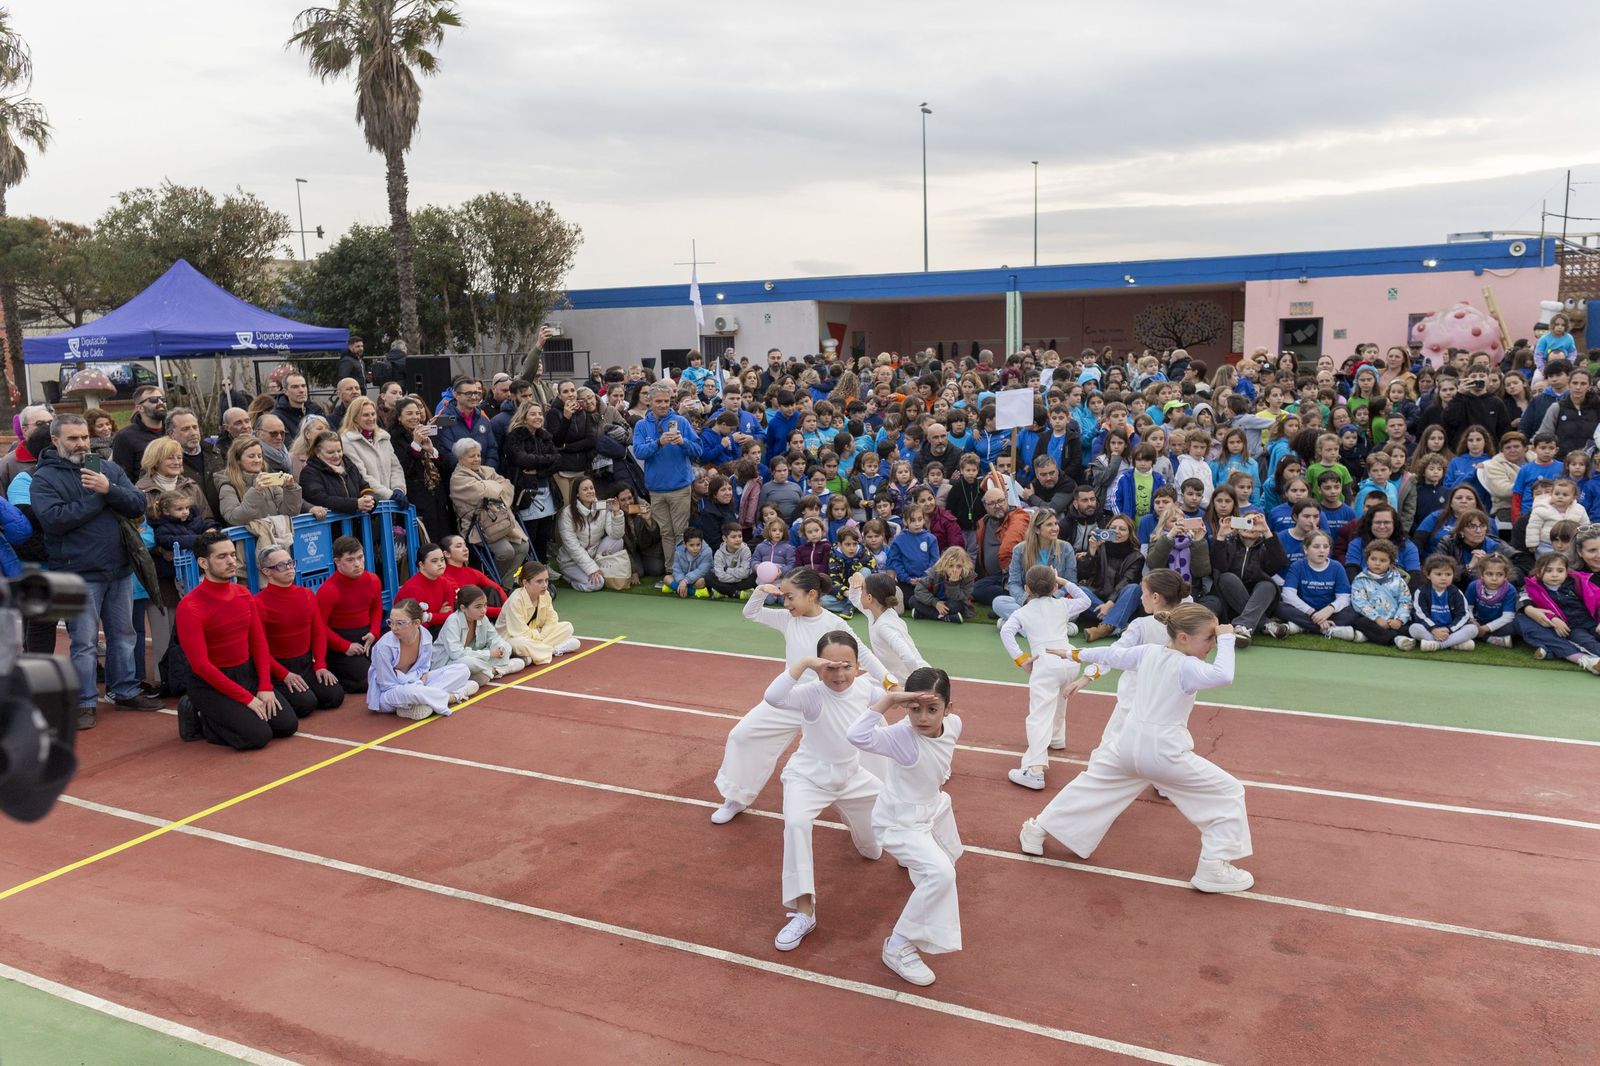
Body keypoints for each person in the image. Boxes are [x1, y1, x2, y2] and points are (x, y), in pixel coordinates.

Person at [1020, 604, 1253, 893]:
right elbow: (1223, 676)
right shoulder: (1188, 666)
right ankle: (1212, 867)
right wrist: (1229, 638)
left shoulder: (1149, 652)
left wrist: (1071, 653)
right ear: (1182, 638)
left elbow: (1110, 654)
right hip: (1164, 752)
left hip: (1128, 746)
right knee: (1229, 792)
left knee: (1091, 786)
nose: (1213, 644)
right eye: (1209, 638)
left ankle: (1036, 830)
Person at [710, 568, 890, 825]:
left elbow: (864, 655)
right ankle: (736, 797)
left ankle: (878, 808)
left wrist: (889, 683)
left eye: (790, 597)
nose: (785, 603)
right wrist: (761, 590)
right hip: (791, 698)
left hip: (829, 700)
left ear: (812, 594)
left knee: (867, 743)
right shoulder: (788, 619)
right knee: (742, 735)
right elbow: (751, 612)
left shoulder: (835, 624)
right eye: (783, 597)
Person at [32, 414, 161, 729]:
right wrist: (101, 497)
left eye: (84, 437)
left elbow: (137, 503)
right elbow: (55, 519)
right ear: (55, 441)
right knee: (84, 642)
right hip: (76, 574)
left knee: (123, 635)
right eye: (73, 438)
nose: (81, 444)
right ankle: (85, 702)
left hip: (117, 569)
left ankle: (125, 690)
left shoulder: (106, 468)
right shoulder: (44, 478)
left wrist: (109, 489)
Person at [761, 631, 885, 953]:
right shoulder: (811, 694)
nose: (839, 675)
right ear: (818, 668)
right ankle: (804, 911)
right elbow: (773, 697)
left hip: (852, 778)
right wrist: (803, 663)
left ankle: (904, 850)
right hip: (809, 777)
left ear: (858, 666)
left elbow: (891, 693)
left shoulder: (864, 688)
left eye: (846, 666)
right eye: (830, 667)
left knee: (875, 848)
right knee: (797, 824)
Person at [844, 668, 963, 986]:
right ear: (906, 706)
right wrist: (888, 700)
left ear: (949, 709)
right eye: (914, 708)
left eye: (932, 709)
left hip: (933, 807)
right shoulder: (900, 736)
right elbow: (856, 736)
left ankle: (917, 868)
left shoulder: (954, 726)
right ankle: (898, 946)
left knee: (949, 858)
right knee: (942, 875)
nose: (923, 717)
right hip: (899, 822)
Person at [176, 532, 298, 749]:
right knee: (257, 737)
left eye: (233, 554)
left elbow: (258, 643)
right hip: (211, 683)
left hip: (246, 673)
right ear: (203, 563)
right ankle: (200, 715)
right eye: (222, 557)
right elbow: (201, 666)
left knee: (287, 725)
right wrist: (247, 699)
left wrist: (265, 686)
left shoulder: (243, 594)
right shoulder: (190, 606)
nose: (232, 561)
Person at [999, 564, 1093, 790]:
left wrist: (1021, 659)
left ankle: (1035, 770)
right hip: (1069, 662)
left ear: (1026, 589)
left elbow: (1006, 632)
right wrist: (1063, 581)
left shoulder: (1022, 612)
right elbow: (1086, 601)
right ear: (1054, 587)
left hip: (1045, 664)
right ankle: (1057, 738)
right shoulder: (1062, 604)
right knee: (1061, 700)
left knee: (1039, 715)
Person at [255, 545, 345, 717]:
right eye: (281, 565)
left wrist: (320, 665)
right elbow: (259, 648)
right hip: (279, 667)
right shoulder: (259, 603)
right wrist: (284, 674)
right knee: (306, 705)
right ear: (267, 571)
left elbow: (318, 633)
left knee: (335, 696)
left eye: (290, 563)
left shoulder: (307, 594)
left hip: (305, 663)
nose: (289, 568)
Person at [367, 599, 479, 720]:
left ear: (416, 623)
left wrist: (420, 682)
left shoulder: (425, 637)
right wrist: (416, 684)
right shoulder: (384, 647)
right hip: (391, 694)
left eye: (400, 623)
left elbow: (424, 669)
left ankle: (422, 703)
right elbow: (386, 685)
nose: (394, 628)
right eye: (391, 622)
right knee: (411, 692)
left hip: (418, 683)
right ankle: (453, 696)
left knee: (462, 669)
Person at [634, 381, 704, 565]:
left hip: (679, 486)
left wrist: (683, 442)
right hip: (656, 488)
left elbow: (698, 449)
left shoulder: (681, 421)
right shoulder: (641, 425)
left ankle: (682, 570)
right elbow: (638, 452)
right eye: (659, 401)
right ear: (649, 401)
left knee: (681, 531)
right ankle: (670, 570)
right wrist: (658, 443)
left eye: (667, 401)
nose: (664, 405)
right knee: (665, 532)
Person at [449, 437, 525, 587]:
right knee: (506, 552)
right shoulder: (458, 478)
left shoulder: (486, 470)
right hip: (479, 526)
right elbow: (484, 492)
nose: (477, 459)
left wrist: (490, 487)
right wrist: (494, 487)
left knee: (523, 546)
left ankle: (505, 585)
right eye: (472, 456)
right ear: (461, 458)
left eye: (478, 455)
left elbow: (508, 487)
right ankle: (491, 584)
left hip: (500, 520)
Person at [315, 535, 384, 693]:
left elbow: (376, 607)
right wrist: (344, 646)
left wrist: (374, 632)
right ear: (337, 562)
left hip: (366, 637)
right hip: (340, 644)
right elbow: (319, 627)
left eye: (360, 557)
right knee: (371, 681)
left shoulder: (373, 580)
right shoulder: (328, 590)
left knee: (393, 670)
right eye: (350, 560)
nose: (358, 564)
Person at [1266, 530, 1360, 641]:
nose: (1322, 550)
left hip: (1329, 613)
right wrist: (1312, 613)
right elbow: (1288, 594)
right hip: (1304, 611)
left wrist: (1330, 609)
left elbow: (1344, 597)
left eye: (1326, 547)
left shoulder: (1337, 567)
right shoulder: (1298, 565)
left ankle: (1301, 627)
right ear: (1306, 549)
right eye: (1316, 547)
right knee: (1279, 607)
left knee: (1353, 611)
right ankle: (1328, 629)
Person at [217, 437, 303, 552]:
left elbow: (290, 511)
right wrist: (256, 491)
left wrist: (290, 488)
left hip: (275, 545)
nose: (257, 460)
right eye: (251, 456)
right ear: (237, 460)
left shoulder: (269, 480)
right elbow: (234, 517)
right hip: (247, 549)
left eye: (259, 455)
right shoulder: (228, 485)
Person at [434, 584, 526, 684]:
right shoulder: (453, 621)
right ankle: (496, 670)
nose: (483, 610)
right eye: (478, 607)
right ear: (463, 608)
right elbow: (457, 654)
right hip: (450, 663)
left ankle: (487, 672)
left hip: (477, 658)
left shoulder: (482, 618)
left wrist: (501, 648)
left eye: (485, 605)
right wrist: (489, 653)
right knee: (468, 662)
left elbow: (494, 638)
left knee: (507, 647)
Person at [554, 475, 631, 591]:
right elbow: (573, 548)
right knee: (597, 584)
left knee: (618, 541)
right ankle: (570, 579)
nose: (590, 491)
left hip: (594, 555)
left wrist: (616, 514)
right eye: (585, 489)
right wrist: (592, 569)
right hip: (571, 561)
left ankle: (598, 569)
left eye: (591, 488)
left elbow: (616, 535)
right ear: (577, 494)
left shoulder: (603, 506)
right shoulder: (567, 514)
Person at [496, 561, 580, 665]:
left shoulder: (545, 595)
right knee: (520, 644)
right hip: (511, 638)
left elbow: (552, 619)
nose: (544, 585)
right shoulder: (515, 600)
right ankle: (553, 650)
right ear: (525, 583)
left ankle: (533, 654)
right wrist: (539, 634)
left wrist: (541, 634)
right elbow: (519, 633)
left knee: (567, 627)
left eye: (546, 580)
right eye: (539, 581)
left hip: (536, 634)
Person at [848, 571, 928, 681]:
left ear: (869, 598)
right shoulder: (875, 612)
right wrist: (856, 575)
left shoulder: (884, 627)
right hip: (891, 674)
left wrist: (917, 684)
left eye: (862, 590)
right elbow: (854, 597)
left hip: (904, 679)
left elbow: (908, 657)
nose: (860, 592)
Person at [1398, 554, 1475, 652]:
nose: (1444, 578)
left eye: (1448, 574)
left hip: (1450, 630)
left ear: (1453, 575)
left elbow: (1463, 615)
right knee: (1414, 628)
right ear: (1428, 575)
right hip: (1429, 630)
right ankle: (1453, 643)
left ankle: (1438, 645)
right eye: (1439, 574)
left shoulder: (1456, 592)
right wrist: (1434, 630)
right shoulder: (1421, 592)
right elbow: (1420, 614)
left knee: (1472, 629)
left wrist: (1448, 629)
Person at [340, 396, 407, 505]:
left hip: (391, 504)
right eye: (365, 415)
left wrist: (398, 489)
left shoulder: (383, 437)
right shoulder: (347, 442)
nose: (371, 418)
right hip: (369, 505)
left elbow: (395, 467)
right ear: (354, 418)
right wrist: (389, 494)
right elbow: (362, 475)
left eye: (373, 414)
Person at [1349, 539, 1412, 647]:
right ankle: (1395, 639)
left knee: (1411, 627)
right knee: (1359, 622)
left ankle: (1369, 636)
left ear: (1391, 563)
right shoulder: (1360, 580)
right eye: (1373, 559)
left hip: (1394, 621)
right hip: (1372, 620)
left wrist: (1399, 620)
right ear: (1367, 560)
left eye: (1383, 560)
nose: (1377, 563)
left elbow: (1405, 601)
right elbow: (1359, 602)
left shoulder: (1398, 580)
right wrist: (1377, 618)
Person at [300, 431, 377, 519]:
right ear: (317, 452)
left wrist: (370, 499)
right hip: (331, 529)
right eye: (330, 452)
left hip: (357, 527)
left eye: (339, 451)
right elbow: (320, 499)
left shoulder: (349, 466)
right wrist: (355, 504)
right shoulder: (310, 472)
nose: (336, 455)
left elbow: (364, 486)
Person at [165, 407, 224, 521]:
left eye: (195, 427)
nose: (193, 433)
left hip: (223, 520)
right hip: (193, 525)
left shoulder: (215, 453)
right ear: (171, 434)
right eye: (186, 429)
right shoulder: (166, 463)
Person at [136, 437, 211, 522]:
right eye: (170, 458)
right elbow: (140, 526)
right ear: (155, 461)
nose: (176, 462)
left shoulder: (191, 486)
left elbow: (207, 519)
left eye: (179, 457)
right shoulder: (142, 491)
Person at [396, 542, 458, 633]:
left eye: (442, 559)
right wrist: (437, 615)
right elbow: (417, 624)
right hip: (408, 632)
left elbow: (449, 615)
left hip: (434, 628)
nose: (440, 564)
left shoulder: (445, 583)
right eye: (434, 561)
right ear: (421, 565)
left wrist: (429, 617)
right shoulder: (413, 588)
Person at [111, 385, 167, 481]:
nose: (160, 402)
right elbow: (123, 477)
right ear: (140, 408)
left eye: (163, 399)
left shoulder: (174, 431)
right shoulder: (125, 437)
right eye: (153, 399)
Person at [908, 546, 976, 623]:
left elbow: (962, 597)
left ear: (964, 566)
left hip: (953, 602)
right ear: (944, 564)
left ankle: (923, 614)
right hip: (935, 602)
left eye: (959, 566)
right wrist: (935, 603)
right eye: (951, 566)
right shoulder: (935, 571)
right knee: (913, 600)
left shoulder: (968, 576)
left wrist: (953, 583)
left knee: (955, 606)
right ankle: (946, 618)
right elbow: (919, 589)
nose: (954, 570)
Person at [273, 372, 326, 441]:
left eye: (303, 386)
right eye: (295, 387)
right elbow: (288, 445)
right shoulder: (278, 416)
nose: (301, 390)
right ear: (285, 391)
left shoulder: (316, 410)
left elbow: (328, 435)